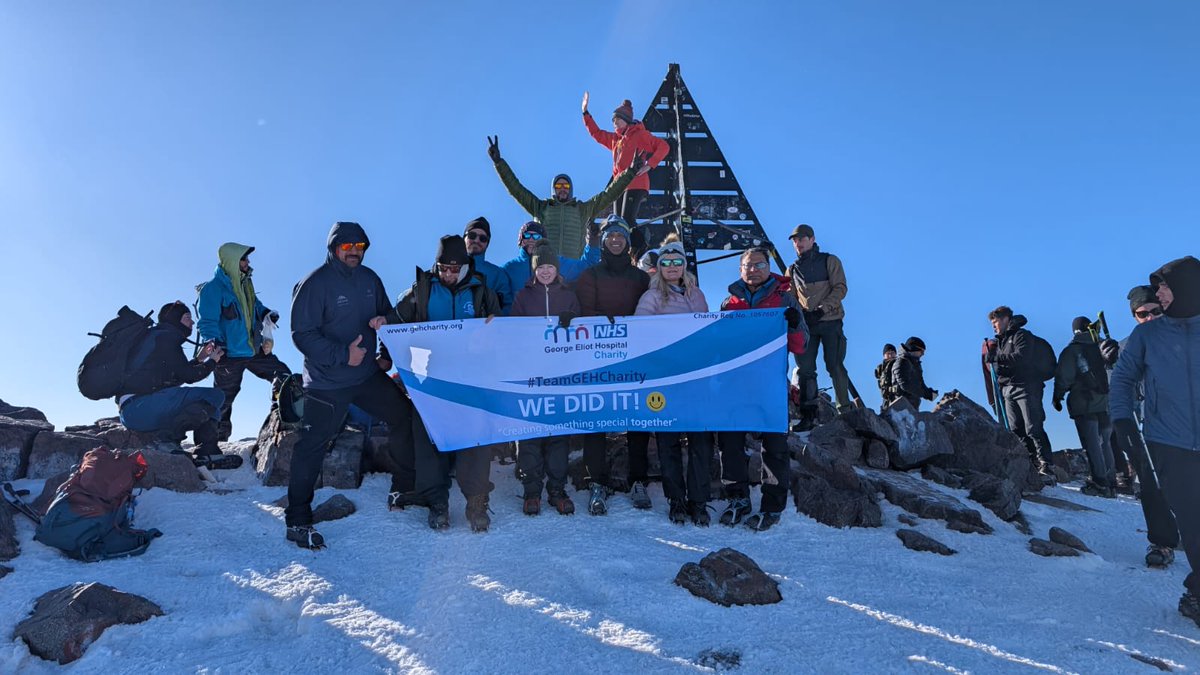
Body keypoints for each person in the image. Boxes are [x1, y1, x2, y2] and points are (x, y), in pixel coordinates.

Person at [285, 222, 417, 549]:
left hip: (365, 375)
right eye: (347, 247)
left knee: (403, 415)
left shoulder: (370, 279)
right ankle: (298, 518)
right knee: (312, 445)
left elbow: (387, 313)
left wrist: (384, 333)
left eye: (360, 246)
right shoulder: (315, 283)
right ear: (334, 248)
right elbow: (301, 334)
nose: (355, 252)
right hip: (326, 383)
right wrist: (343, 354)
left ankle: (402, 485)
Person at [389, 235, 502, 531]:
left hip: (470, 380)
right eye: (443, 268)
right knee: (430, 440)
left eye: (455, 269)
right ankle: (437, 502)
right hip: (430, 379)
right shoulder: (422, 290)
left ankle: (477, 502)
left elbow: (499, 329)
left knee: (475, 441)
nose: (449, 275)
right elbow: (395, 322)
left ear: (465, 267)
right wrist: (385, 353)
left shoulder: (481, 292)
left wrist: (489, 336)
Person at [1110, 256, 1200, 627]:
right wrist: (1122, 418)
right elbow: (1122, 379)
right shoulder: (1147, 335)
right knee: (1193, 521)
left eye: (1163, 286)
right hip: (1168, 441)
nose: (1159, 293)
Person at [717, 247, 809, 531]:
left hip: (769, 385)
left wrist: (793, 325)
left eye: (759, 265)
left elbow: (801, 345)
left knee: (775, 447)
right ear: (740, 270)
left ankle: (772, 505)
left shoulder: (784, 299)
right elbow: (719, 345)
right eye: (748, 265)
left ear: (768, 267)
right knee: (730, 443)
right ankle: (737, 499)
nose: (753, 270)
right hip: (736, 385)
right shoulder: (729, 303)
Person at [574, 216, 651, 515]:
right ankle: (598, 482)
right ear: (603, 241)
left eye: (621, 236)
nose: (616, 240)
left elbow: (649, 310)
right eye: (610, 236)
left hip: (634, 356)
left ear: (627, 242)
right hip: (598, 355)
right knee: (597, 419)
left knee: (637, 417)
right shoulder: (590, 275)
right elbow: (586, 310)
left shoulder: (640, 278)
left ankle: (638, 480)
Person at [634, 236, 712, 525]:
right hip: (665, 378)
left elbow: (706, 330)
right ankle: (676, 499)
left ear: (684, 264)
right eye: (665, 262)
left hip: (695, 377)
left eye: (676, 261)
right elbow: (641, 333)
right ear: (659, 266)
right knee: (668, 440)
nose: (671, 266)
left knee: (700, 439)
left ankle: (699, 501)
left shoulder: (697, 295)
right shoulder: (651, 297)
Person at [119, 301, 242, 470]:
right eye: (187, 317)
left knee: (208, 403)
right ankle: (168, 441)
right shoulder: (166, 338)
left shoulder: (157, 337)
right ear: (175, 319)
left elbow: (174, 378)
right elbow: (189, 376)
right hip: (140, 407)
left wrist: (199, 360)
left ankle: (208, 451)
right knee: (215, 396)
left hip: (136, 409)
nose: (192, 323)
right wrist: (213, 361)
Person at [487, 135, 643, 259]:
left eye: (566, 186)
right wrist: (499, 163)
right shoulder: (541, 208)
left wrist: (630, 173)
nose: (562, 189)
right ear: (553, 190)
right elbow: (517, 189)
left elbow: (609, 194)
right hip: (546, 265)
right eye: (558, 186)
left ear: (571, 190)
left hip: (572, 267)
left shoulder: (582, 209)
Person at [509, 244, 580, 516]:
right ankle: (531, 492)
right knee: (530, 434)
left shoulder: (568, 295)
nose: (546, 271)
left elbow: (583, 329)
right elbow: (514, 331)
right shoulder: (523, 297)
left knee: (558, 435)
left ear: (557, 269)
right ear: (534, 270)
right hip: (530, 374)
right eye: (541, 267)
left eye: (550, 267)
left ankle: (557, 490)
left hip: (561, 375)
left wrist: (572, 320)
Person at [197, 242, 291, 441]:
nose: (248, 262)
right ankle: (213, 443)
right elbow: (207, 321)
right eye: (244, 258)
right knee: (222, 399)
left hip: (253, 349)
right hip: (228, 354)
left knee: (283, 376)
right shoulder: (213, 289)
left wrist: (267, 314)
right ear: (232, 261)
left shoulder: (245, 283)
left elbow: (255, 305)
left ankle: (283, 420)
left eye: (247, 258)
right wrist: (213, 342)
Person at [581, 93, 671, 251]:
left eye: (617, 119)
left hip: (636, 183)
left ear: (626, 120)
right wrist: (585, 113)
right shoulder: (616, 140)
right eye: (613, 120)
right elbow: (597, 134)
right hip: (619, 187)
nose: (614, 122)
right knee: (617, 222)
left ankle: (640, 249)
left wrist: (650, 164)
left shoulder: (639, 135)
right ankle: (627, 252)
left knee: (627, 220)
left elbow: (663, 146)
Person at [985, 306, 1056, 483]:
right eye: (992, 323)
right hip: (1008, 389)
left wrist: (997, 359)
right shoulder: (1001, 341)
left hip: (1027, 387)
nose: (994, 326)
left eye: (996, 321)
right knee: (1016, 429)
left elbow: (1022, 357)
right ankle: (1030, 464)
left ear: (1006, 319)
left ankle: (1046, 465)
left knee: (1033, 427)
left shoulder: (1022, 335)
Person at [787, 224, 852, 414]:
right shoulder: (792, 270)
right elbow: (790, 297)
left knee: (835, 365)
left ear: (812, 239)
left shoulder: (830, 261)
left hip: (831, 322)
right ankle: (809, 413)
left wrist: (822, 310)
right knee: (805, 370)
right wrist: (799, 315)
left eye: (802, 239)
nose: (798, 243)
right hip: (806, 325)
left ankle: (845, 410)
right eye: (795, 240)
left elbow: (840, 288)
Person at [1052, 316, 1116, 497]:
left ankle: (1100, 483)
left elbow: (1064, 376)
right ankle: (1111, 483)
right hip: (1105, 402)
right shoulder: (1103, 347)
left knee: (1092, 444)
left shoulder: (1072, 351)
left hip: (1084, 403)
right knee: (1106, 443)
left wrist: (1058, 397)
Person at [502, 221, 600, 291]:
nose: (531, 239)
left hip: (551, 318)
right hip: (520, 318)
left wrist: (593, 242)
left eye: (536, 236)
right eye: (527, 235)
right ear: (520, 240)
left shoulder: (557, 263)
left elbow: (586, 266)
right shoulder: (510, 268)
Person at [463, 217, 514, 315]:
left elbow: (507, 307)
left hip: (485, 328)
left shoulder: (497, 274)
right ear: (464, 238)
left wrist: (494, 323)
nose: (477, 240)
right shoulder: (448, 269)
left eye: (483, 238)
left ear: (487, 244)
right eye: (472, 235)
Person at [892, 337, 938, 410]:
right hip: (900, 408)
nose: (923, 354)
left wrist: (929, 393)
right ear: (913, 348)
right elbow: (905, 385)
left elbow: (920, 383)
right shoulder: (902, 362)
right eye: (921, 351)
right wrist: (925, 394)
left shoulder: (915, 364)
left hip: (912, 406)